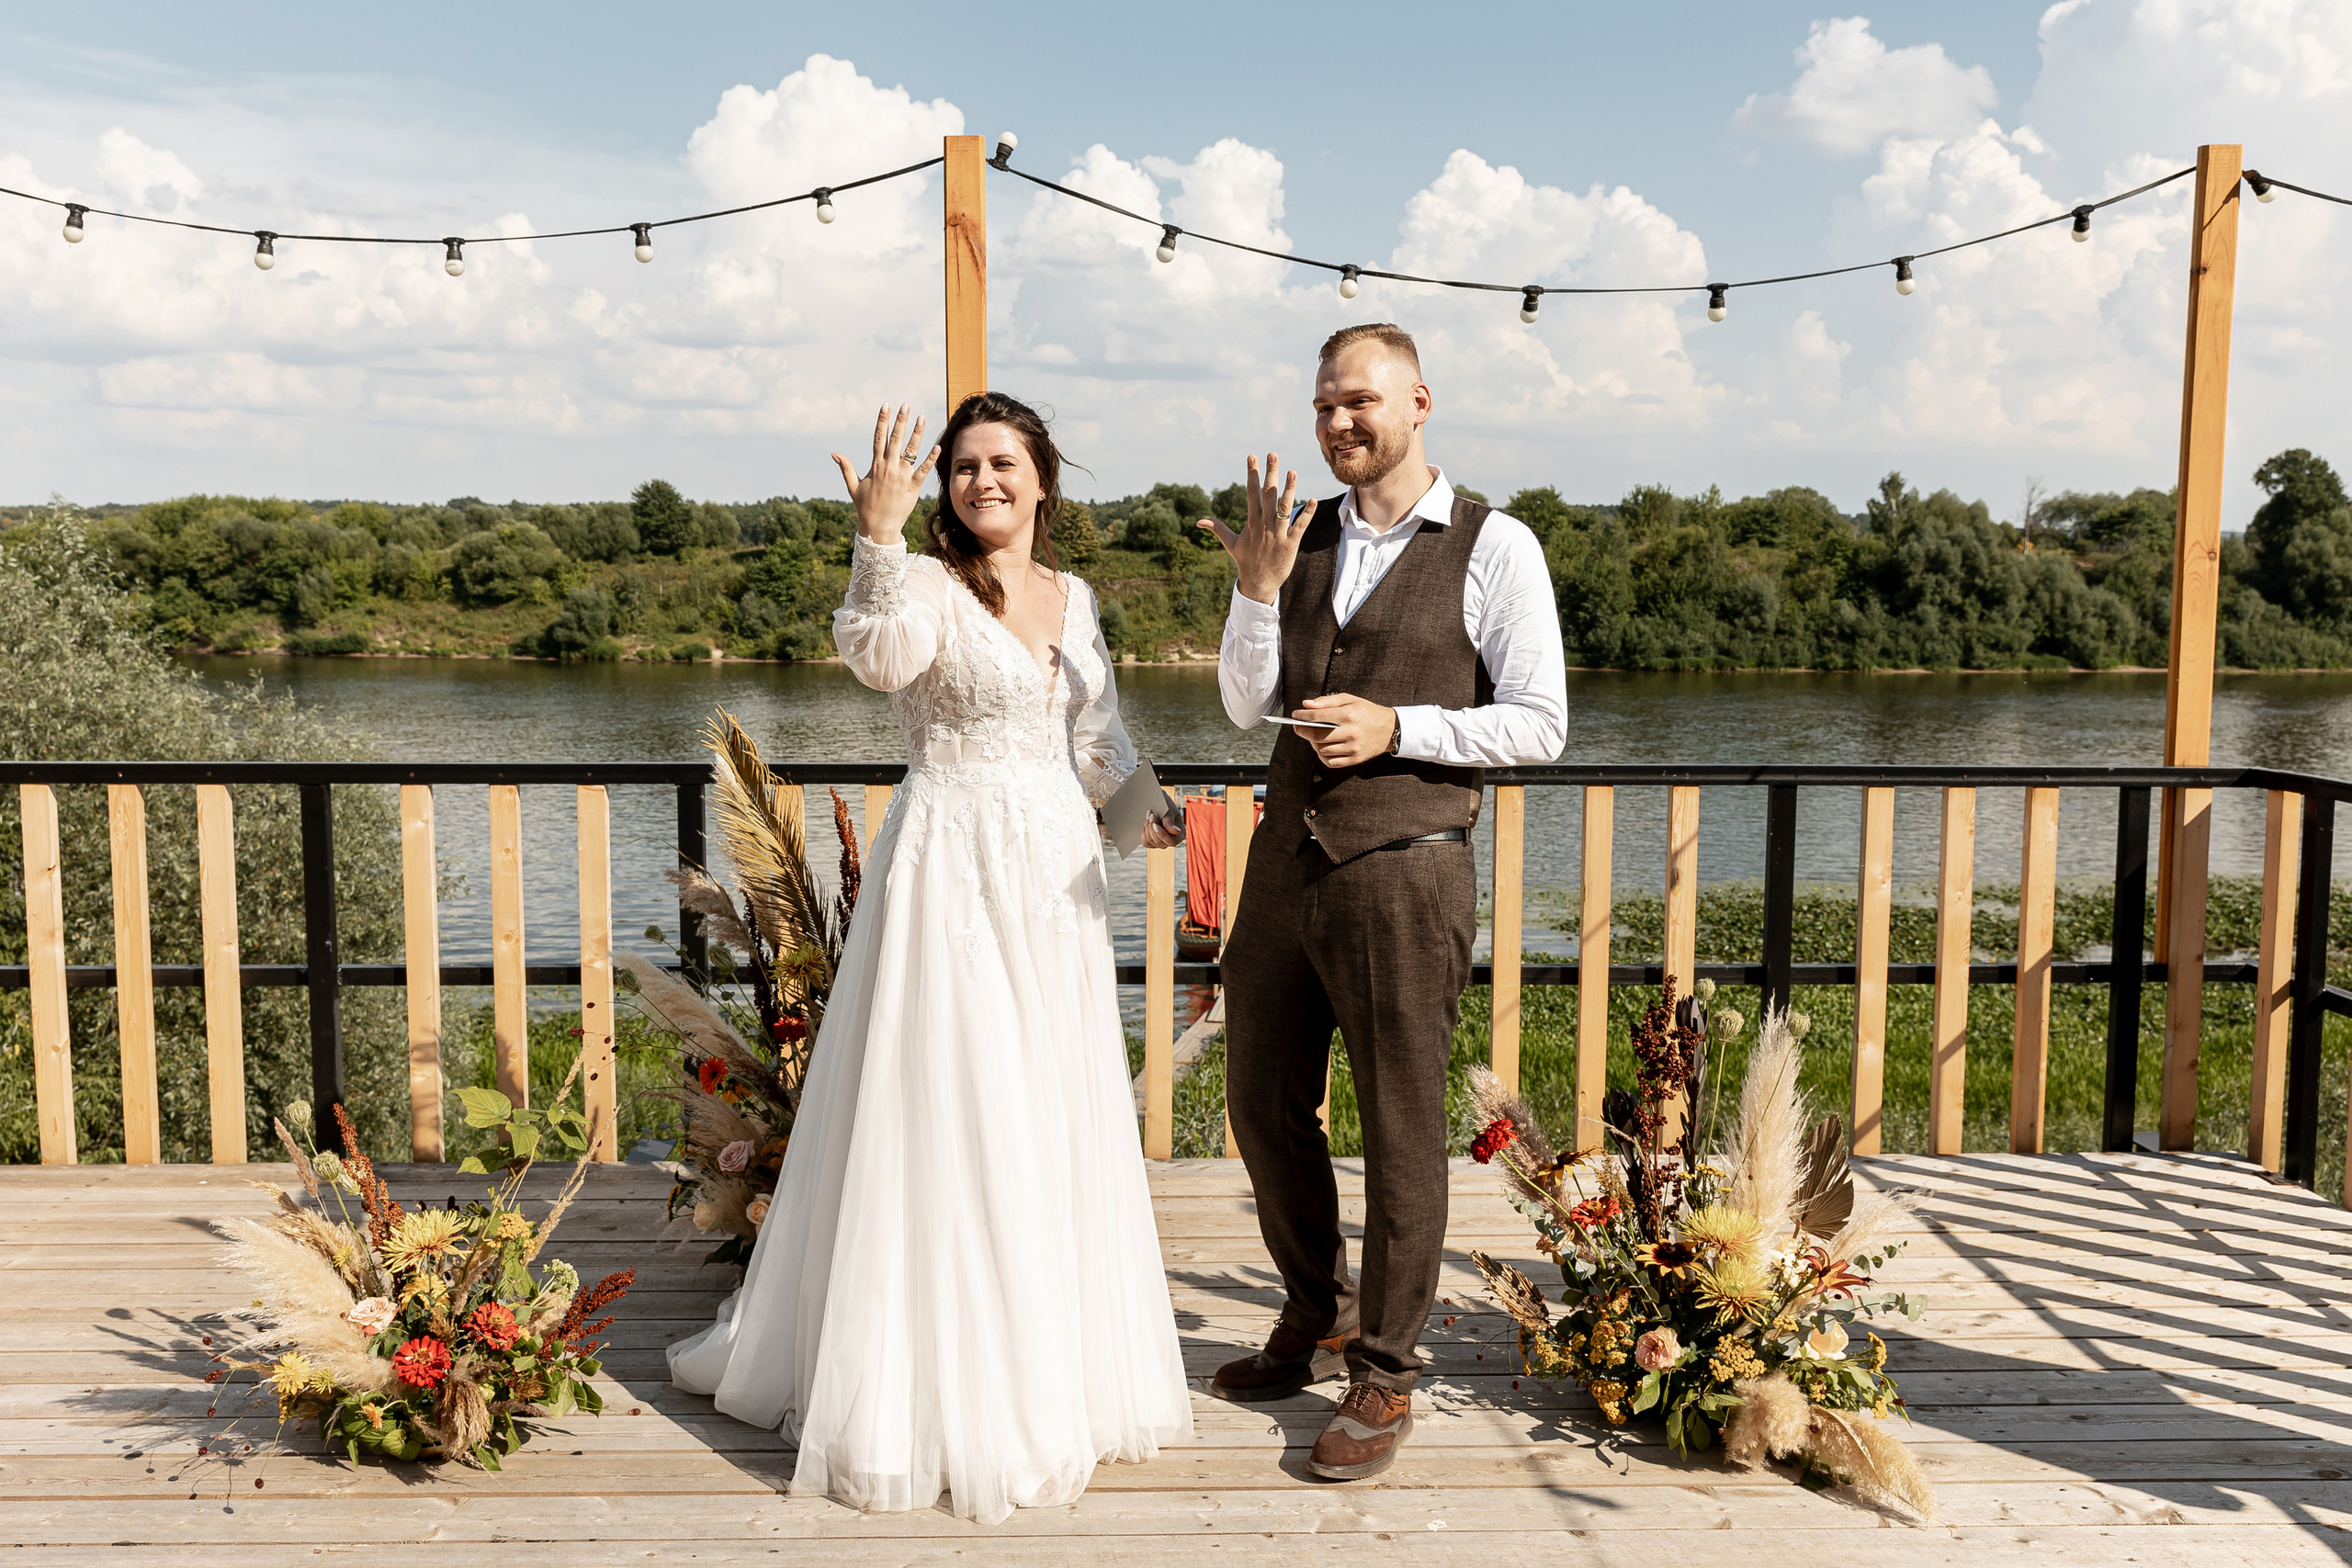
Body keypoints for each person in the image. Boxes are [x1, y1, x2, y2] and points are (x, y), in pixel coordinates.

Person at [668, 394, 1193, 1525]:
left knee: (1046, 1103)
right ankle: (933, 1391)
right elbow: (878, 662)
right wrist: (879, 534)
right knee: (955, 1102)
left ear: (1043, 478)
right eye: (962, 467)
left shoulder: (1077, 595)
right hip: (950, 861)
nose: (981, 481)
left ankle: (1054, 1369)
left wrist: (1145, 810)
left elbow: (1095, 740)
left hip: (1053, 874)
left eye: (1002, 463)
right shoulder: (919, 583)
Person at [1198, 324, 1567, 1480]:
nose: (1338, 422)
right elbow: (1241, 706)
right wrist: (1257, 595)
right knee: (1259, 1101)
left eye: (1358, 401)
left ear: (1417, 402)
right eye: (1322, 406)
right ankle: (1316, 1310)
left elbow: (1541, 722)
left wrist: (1403, 728)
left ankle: (1387, 1373)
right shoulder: (1298, 543)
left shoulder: (1496, 545)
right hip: (1281, 866)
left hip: (1408, 863)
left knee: (1400, 1126)